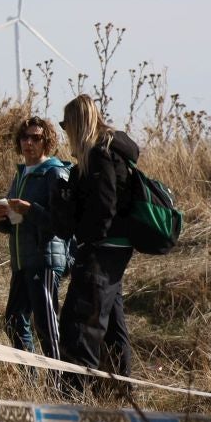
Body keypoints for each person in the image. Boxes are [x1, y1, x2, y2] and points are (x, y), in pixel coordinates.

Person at [53, 94, 141, 397]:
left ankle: (72, 399)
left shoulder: (100, 154)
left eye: (66, 124)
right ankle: (117, 396)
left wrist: (89, 240)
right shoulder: (106, 154)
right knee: (113, 327)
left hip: (102, 250)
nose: (65, 131)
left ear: (78, 123)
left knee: (80, 324)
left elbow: (104, 206)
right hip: (114, 249)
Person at [0, 116, 72, 360]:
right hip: (22, 260)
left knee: (46, 326)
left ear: (46, 141)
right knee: (13, 321)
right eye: (24, 137)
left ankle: (59, 383)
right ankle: (31, 378)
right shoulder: (22, 174)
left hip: (45, 259)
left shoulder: (54, 173)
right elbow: (14, 225)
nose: (29, 142)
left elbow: (61, 222)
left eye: (36, 137)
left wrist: (29, 209)